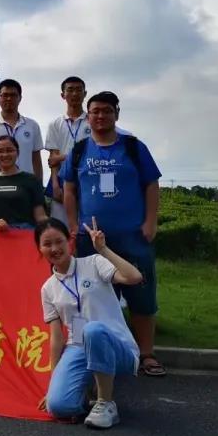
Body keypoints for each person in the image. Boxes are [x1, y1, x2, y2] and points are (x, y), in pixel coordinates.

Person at [60, 91, 165, 377]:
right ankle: (92, 353)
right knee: (94, 297)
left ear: (116, 114)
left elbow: (152, 184)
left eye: (107, 111)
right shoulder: (80, 150)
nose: (100, 116)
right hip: (90, 238)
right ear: (87, 116)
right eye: (95, 111)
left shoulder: (133, 147)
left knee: (141, 294)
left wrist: (150, 222)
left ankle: (146, 354)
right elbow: (68, 188)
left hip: (133, 235)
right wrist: (72, 222)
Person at [37, 217, 143, 428]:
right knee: (58, 406)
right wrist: (52, 385)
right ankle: (87, 392)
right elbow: (57, 338)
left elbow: (134, 277)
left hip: (114, 345)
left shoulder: (94, 263)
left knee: (93, 330)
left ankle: (105, 403)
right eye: (47, 244)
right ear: (39, 249)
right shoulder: (48, 288)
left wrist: (103, 250)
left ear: (69, 241)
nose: (54, 248)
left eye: (59, 241)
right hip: (78, 348)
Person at [0, 79, 43, 182]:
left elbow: (36, 160)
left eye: (13, 95)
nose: (9, 98)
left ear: (20, 98)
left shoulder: (32, 126)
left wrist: (38, 186)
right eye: (5, 95)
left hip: (26, 185)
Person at [0, 135, 46, 230]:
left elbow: (40, 216)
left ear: (18, 152)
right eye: (0, 151)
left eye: (9, 150)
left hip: (24, 235)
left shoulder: (31, 180)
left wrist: (55, 228)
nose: (5, 155)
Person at [45, 76, 90, 226]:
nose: (75, 94)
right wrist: (56, 185)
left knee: (88, 225)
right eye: (70, 90)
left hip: (89, 179)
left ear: (85, 93)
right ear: (63, 95)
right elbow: (53, 159)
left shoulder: (93, 120)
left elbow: (93, 152)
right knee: (61, 227)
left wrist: (62, 157)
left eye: (79, 90)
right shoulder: (55, 124)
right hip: (63, 181)